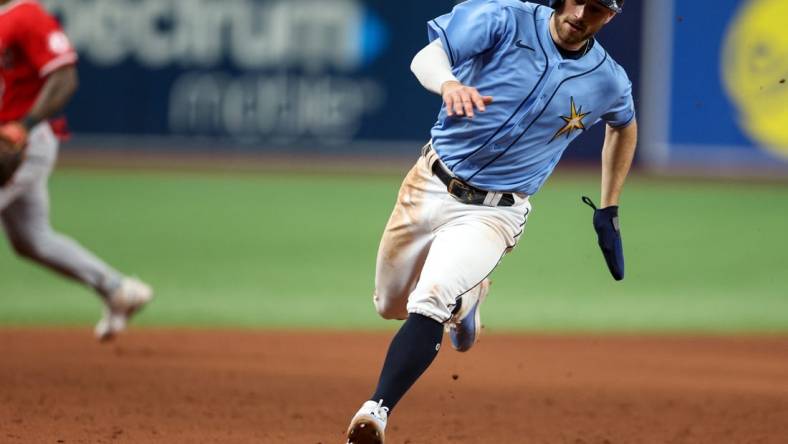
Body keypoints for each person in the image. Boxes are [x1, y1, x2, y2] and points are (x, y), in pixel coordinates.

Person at [345, 0, 636, 442]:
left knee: (431, 297)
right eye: (578, 0)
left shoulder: (607, 79)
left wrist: (609, 204)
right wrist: (447, 84)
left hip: (494, 212)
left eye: (597, 8)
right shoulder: (504, 18)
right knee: (390, 305)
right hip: (428, 182)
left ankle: (375, 410)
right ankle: (468, 302)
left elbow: (623, 125)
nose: (581, 14)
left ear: (610, 16)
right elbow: (426, 55)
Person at [0, 0, 153, 341]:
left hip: (21, 143)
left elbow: (65, 77)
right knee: (32, 240)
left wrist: (22, 128)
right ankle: (117, 288)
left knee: (33, 239)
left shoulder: (26, 15)